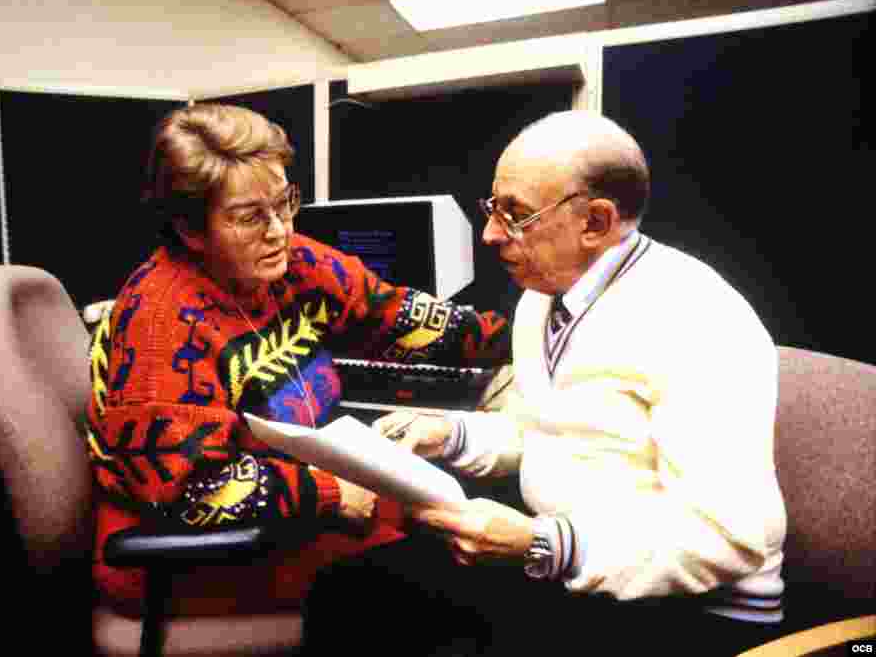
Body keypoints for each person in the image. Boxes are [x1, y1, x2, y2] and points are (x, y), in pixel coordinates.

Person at [315, 109, 787, 656]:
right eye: (493, 208)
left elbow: (731, 539)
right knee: (350, 592)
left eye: (515, 214)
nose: (490, 234)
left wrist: (541, 544)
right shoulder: (541, 297)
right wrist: (447, 434)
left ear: (596, 222)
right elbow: (543, 432)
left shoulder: (697, 317)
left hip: (694, 609)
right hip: (575, 566)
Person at [83, 102, 511, 619]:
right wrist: (328, 493)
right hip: (185, 552)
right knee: (434, 576)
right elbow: (189, 489)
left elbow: (391, 315)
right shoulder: (159, 320)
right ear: (190, 229)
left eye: (284, 204)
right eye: (249, 217)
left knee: (465, 532)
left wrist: (521, 334)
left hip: (287, 508)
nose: (279, 230)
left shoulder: (292, 263)